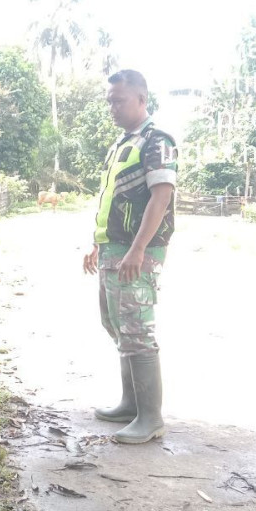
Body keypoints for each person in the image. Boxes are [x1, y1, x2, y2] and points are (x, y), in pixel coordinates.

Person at [82, 69, 178, 445]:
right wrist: (97, 244)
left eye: (119, 100)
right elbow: (114, 198)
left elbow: (161, 196)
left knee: (137, 329)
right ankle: (130, 404)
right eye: (109, 101)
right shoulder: (124, 143)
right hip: (113, 249)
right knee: (117, 325)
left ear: (141, 99)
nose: (112, 107)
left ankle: (150, 417)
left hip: (138, 251)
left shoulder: (157, 142)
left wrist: (138, 248)